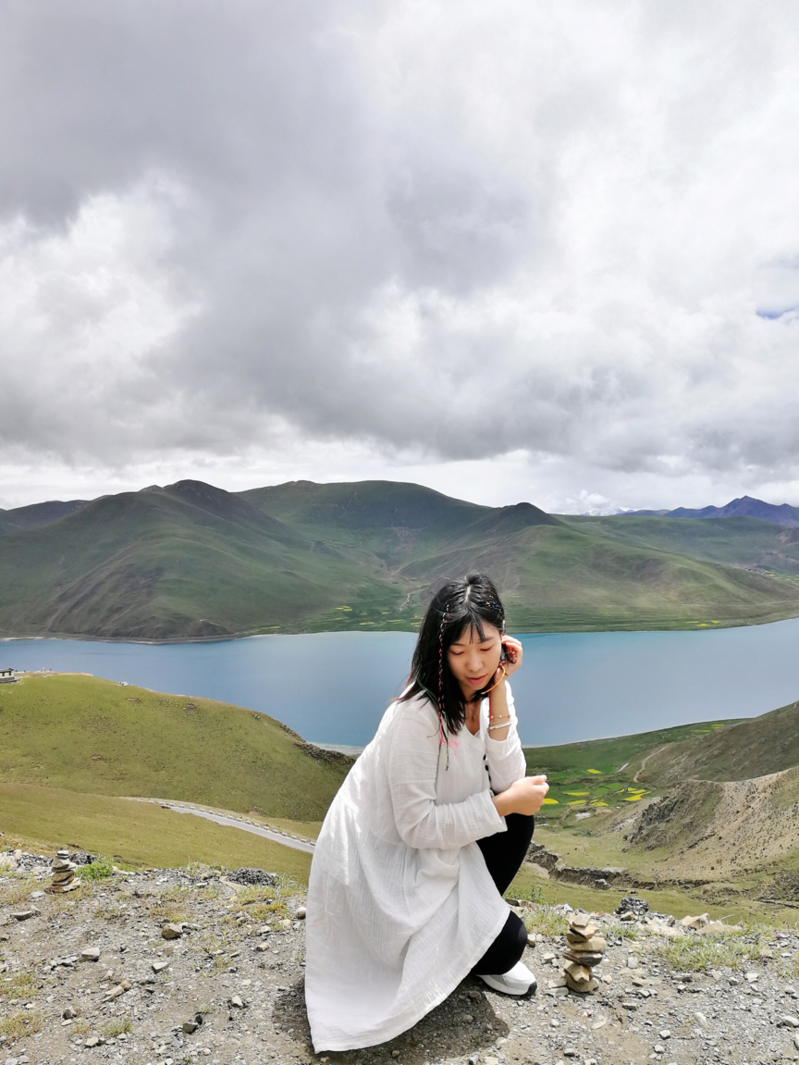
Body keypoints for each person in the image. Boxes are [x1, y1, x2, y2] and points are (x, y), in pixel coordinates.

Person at [304, 573, 549, 1052]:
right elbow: (416, 826)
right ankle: (447, 945)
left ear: (504, 637)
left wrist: (499, 691)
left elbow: (509, 773)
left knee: (520, 814)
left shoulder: (487, 682)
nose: (474, 664)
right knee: (511, 941)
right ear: (439, 651)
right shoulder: (418, 714)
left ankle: (462, 940)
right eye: (459, 652)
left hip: (434, 847)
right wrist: (503, 803)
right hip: (385, 870)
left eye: (487, 646)